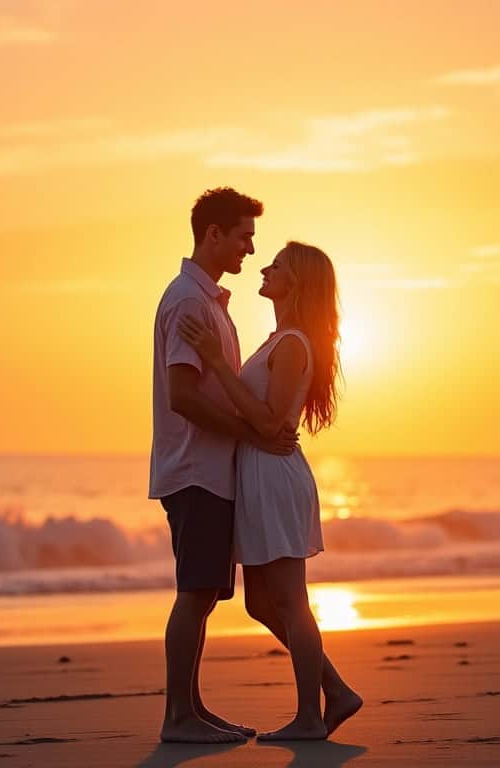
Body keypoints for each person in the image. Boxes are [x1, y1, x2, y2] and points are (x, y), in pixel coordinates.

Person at [177, 241, 363, 740]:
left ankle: (310, 715)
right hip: (258, 471)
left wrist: (215, 361)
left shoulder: (293, 344)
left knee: (290, 600)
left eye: (277, 265)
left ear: (296, 282)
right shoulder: (279, 339)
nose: (264, 267)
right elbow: (261, 419)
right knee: (260, 603)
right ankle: (337, 690)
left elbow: (266, 419)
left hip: (275, 476)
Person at [149, 187, 298, 744]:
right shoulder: (189, 302)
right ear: (213, 234)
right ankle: (178, 718)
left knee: (204, 591)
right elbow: (182, 397)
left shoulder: (207, 301)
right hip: (194, 470)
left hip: (207, 470)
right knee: (195, 592)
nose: (249, 249)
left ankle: (192, 708)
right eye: (243, 236)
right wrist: (251, 432)